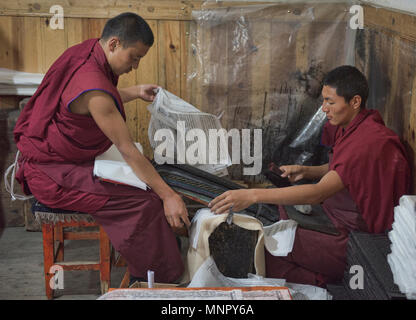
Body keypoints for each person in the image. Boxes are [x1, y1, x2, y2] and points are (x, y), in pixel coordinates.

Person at [13, 12, 190, 284]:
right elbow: (127, 147)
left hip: (62, 159)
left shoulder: (85, 52)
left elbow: (94, 100)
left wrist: (134, 91)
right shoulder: (93, 84)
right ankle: (159, 279)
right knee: (145, 202)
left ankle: (158, 262)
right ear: (114, 44)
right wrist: (169, 197)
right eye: (134, 57)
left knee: (148, 184)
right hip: (52, 174)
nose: (135, 66)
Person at [209, 65, 411, 287]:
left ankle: (328, 283)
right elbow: (342, 170)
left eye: (330, 102)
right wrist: (307, 171)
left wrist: (252, 195)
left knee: (265, 245)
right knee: (270, 224)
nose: (324, 108)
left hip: (351, 240)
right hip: (329, 216)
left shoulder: (367, 142)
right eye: (324, 100)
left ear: (355, 102)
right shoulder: (355, 126)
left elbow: (317, 193)